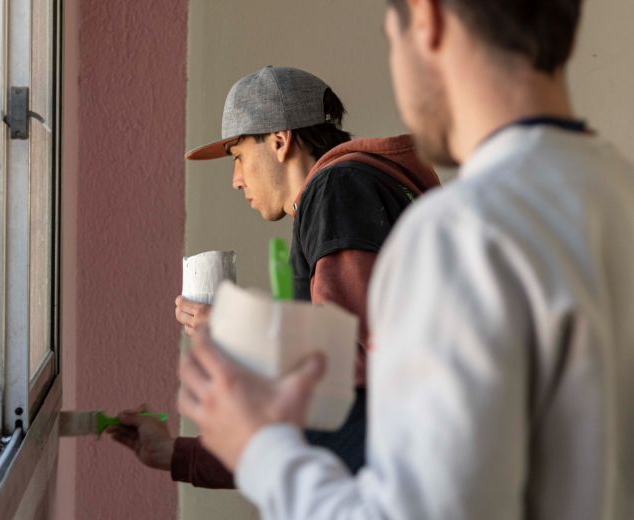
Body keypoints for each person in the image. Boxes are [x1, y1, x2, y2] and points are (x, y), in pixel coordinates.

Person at [177, 1, 634, 519]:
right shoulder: (614, 191)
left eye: (390, 37)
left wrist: (259, 449)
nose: (237, 178)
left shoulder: (459, 233)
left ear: (427, 18)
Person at [110, 66, 439, 488]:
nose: (236, 180)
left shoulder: (338, 189)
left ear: (280, 141)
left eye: (238, 156)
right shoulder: (355, 190)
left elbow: (350, 370)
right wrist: (179, 454)